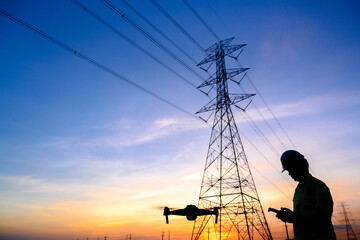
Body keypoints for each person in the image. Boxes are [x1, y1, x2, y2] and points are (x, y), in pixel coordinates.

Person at [276, 150, 336, 240]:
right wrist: (292, 215)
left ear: (299, 165)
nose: (289, 173)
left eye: (290, 169)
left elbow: (323, 217)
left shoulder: (316, 186)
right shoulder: (299, 190)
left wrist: (293, 217)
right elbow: (304, 220)